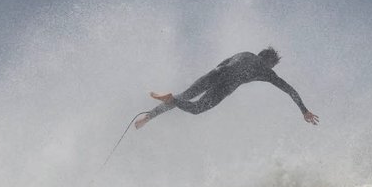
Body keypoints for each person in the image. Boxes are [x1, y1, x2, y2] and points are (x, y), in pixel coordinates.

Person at [135, 47, 319, 129]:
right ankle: (170, 99)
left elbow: (221, 65)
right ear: (270, 63)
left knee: (186, 95)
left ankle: (148, 116)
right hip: (226, 85)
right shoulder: (266, 71)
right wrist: (304, 110)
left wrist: (213, 77)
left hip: (215, 73)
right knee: (197, 108)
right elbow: (289, 90)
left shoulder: (244, 53)